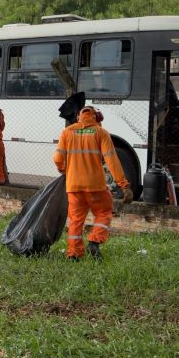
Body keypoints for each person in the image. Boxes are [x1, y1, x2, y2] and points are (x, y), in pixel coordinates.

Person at [53, 106, 132, 260]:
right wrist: (124, 185)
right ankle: (95, 241)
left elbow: (57, 158)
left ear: (78, 117)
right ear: (97, 118)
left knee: (76, 220)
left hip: (74, 187)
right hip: (96, 186)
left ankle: (74, 254)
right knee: (103, 212)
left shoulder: (67, 132)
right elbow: (112, 161)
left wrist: (63, 169)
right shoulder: (101, 133)